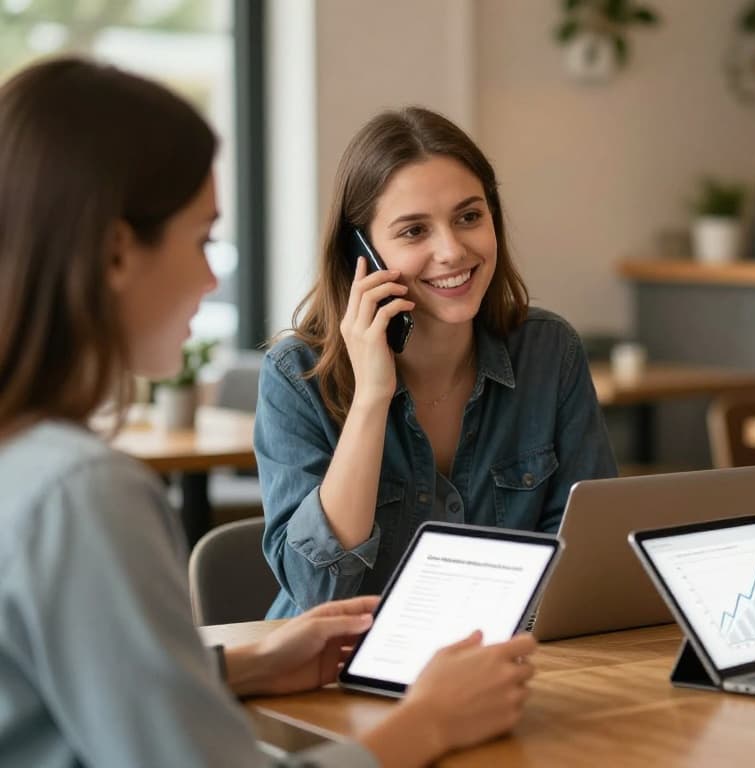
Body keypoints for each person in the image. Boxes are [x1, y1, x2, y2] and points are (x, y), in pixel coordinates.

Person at [0, 57, 537, 768]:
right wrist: (430, 723)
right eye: (201, 239)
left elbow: (65, 696)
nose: (211, 274)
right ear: (117, 253)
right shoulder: (83, 493)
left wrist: (243, 667)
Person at [255, 107, 617, 618]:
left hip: (502, 663)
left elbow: (586, 560)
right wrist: (371, 398)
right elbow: (320, 593)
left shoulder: (549, 352)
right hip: (335, 678)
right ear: (361, 253)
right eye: (413, 231)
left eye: (469, 217)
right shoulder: (297, 375)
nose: (451, 251)